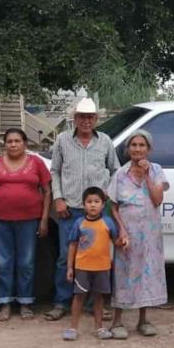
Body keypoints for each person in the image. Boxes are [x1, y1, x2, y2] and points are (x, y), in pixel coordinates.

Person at [46, 98, 120, 322]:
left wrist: (106, 192)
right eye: (81, 117)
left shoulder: (105, 141)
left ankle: (92, 303)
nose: (86, 121)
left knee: (97, 257)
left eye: (90, 117)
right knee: (64, 257)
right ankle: (61, 302)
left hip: (98, 213)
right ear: (75, 119)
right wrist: (58, 199)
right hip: (70, 210)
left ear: (96, 119)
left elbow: (115, 170)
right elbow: (55, 171)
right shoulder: (62, 140)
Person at [0, 128, 52, 321]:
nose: (13, 144)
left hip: (29, 221)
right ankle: (4, 303)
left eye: (17, 141)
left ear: (25, 144)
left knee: (26, 262)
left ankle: (25, 303)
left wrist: (44, 219)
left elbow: (47, 191)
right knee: (2, 262)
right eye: (9, 141)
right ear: (4, 144)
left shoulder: (36, 163)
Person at [107, 130, 170, 339]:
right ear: (128, 149)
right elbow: (113, 206)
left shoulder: (157, 170)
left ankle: (144, 320)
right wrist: (121, 229)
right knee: (124, 273)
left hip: (150, 232)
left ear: (148, 149)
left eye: (142, 145)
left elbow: (157, 199)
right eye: (133, 145)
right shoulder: (120, 174)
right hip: (128, 232)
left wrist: (148, 175)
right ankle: (117, 321)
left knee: (147, 272)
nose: (137, 149)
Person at [63, 187, 121, 341]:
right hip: (82, 267)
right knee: (79, 297)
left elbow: (116, 241)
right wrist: (70, 267)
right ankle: (73, 327)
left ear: (103, 205)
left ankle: (99, 327)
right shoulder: (79, 223)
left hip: (102, 268)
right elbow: (72, 245)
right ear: (83, 205)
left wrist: (122, 241)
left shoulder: (108, 222)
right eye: (89, 202)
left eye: (97, 202)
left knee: (98, 298)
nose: (93, 205)